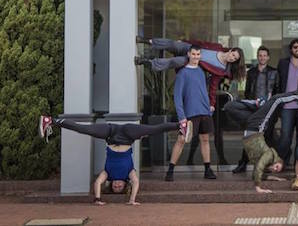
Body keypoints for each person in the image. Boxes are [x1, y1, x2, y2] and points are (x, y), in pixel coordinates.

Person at [135, 36, 246, 165]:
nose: (231, 58)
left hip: (192, 60)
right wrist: (187, 41)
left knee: (174, 61)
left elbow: (213, 87)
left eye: (235, 58)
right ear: (231, 50)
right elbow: (203, 42)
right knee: (174, 44)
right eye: (233, 54)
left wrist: (211, 104)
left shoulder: (220, 70)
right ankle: (147, 41)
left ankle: (146, 62)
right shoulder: (218, 48)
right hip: (192, 48)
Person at [38, 115, 191, 205]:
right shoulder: (129, 173)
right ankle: (180, 125)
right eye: (120, 187)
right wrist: (132, 200)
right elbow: (136, 182)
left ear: (110, 184)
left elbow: (97, 183)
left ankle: (49, 121)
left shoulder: (107, 174)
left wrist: (98, 199)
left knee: (83, 129)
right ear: (125, 185)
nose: (117, 185)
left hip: (110, 133)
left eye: (115, 187)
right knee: (152, 130)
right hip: (129, 134)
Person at [165, 45, 217, 181]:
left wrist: (209, 107)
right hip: (189, 115)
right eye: (193, 54)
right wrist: (182, 117)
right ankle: (170, 170)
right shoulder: (182, 74)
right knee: (181, 140)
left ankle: (207, 169)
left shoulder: (201, 71)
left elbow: (203, 91)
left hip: (204, 112)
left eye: (198, 54)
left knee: (205, 140)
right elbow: (177, 97)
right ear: (189, 54)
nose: (195, 57)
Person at [242, 90, 298, 193]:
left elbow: (257, 171)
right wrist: (258, 188)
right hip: (256, 128)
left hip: (252, 128)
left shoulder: (265, 160)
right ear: (277, 161)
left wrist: (274, 178)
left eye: (276, 170)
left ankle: (262, 101)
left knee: (231, 107)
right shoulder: (269, 155)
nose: (275, 169)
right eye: (277, 167)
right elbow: (259, 167)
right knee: (277, 100)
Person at [226, 46, 279, 173]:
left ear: (268, 57)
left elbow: (278, 91)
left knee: (268, 137)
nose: (262, 58)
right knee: (250, 136)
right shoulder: (251, 72)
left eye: (264, 55)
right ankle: (243, 164)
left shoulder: (274, 72)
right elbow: (248, 92)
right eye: (260, 55)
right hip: (254, 108)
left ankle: (268, 165)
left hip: (268, 109)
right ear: (257, 56)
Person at [276, 39, 298, 167]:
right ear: (291, 49)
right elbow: (278, 83)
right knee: (285, 136)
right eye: (295, 47)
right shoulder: (283, 63)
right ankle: (282, 161)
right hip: (287, 105)